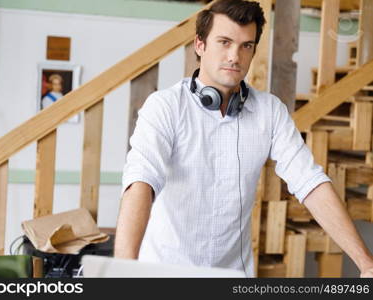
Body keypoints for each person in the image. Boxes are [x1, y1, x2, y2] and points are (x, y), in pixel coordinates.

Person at [114, 0, 373, 277]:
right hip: (163, 273)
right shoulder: (165, 106)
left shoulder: (270, 111)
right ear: (200, 45)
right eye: (224, 42)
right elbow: (141, 182)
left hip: (234, 277)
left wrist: (367, 265)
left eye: (245, 45)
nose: (234, 56)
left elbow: (310, 183)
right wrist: (121, 273)